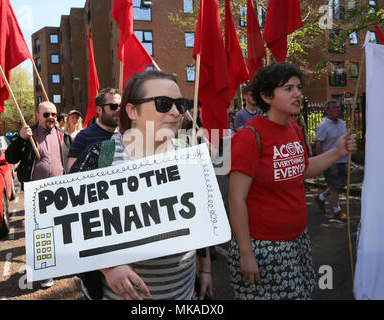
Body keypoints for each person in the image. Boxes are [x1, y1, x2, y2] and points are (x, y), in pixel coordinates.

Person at [70, 70, 213, 300]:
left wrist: (205, 269)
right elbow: (70, 232)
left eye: (180, 103)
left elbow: (204, 221)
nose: (176, 112)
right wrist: (108, 267)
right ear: (132, 110)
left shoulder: (189, 154)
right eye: (164, 104)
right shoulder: (99, 159)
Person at [228, 63, 356, 300]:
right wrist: (246, 253)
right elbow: (236, 198)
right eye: (288, 88)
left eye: (298, 87)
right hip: (265, 246)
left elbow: (302, 169)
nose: (297, 93)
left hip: (298, 238)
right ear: (266, 96)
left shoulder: (294, 129)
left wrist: (338, 152)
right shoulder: (248, 136)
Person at [5, 101, 72, 288]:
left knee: (61, 231)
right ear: (37, 115)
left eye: (54, 115)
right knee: (41, 234)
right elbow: (10, 158)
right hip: (36, 194)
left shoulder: (63, 136)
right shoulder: (29, 135)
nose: (51, 118)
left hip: (60, 192)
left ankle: (63, 264)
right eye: (46, 114)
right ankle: (45, 272)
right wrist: (20, 138)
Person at [67, 88, 121, 171]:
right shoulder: (83, 137)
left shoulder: (126, 136)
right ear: (99, 109)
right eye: (113, 106)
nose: (118, 110)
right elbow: (72, 173)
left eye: (121, 106)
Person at [315, 99, 348, 222]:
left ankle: (321, 198)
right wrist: (321, 162)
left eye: (338, 107)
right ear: (327, 110)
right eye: (334, 107)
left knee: (338, 185)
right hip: (330, 161)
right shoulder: (323, 125)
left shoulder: (341, 123)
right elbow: (319, 144)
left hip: (342, 159)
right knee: (335, 186)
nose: (337, 109)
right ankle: (336, 210)